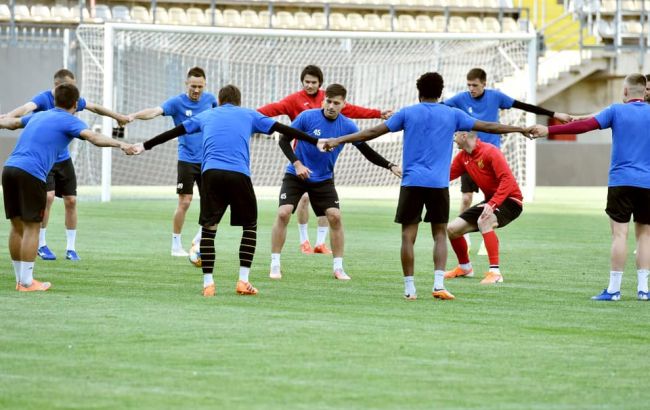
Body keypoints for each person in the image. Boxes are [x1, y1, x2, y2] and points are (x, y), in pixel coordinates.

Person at [323, 72, 529, 300]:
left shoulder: (407, 113)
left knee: (407, 236)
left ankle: (409, 289)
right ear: (440, 93)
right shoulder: (453, 114)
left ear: (418, 92)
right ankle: (438, 285)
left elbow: (372, 132)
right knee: (440, 234)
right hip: (438, 185)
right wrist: (521, 129)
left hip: (412, 182)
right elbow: (489, 126)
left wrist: (338, 139)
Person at [131, 85, 323, 297]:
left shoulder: (207, 115)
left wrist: (145, 145)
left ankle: (208, 284)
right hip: (238, 174)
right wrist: (316, 141)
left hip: (210, 174)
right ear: (239, 102)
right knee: (249, 227)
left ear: (220, 101)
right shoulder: (249, 114)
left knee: (209, 229)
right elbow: (284, 129)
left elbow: (175, 132)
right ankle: (243, 281)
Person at [528, 73, 650, 302]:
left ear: (625, 91)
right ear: (645, 92)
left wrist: (549, 130)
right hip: (648, 184)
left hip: (621, 181)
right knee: (645, 236)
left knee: (619, 235)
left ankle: (614, 290)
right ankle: (644, 290)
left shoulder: (616, 110)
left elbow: (584, 127)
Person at [1, 83, 132, 291]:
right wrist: (121, 144)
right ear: (75, 104)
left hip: (9, 169)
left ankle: (21, 281)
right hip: (31, 173)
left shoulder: (39, 116)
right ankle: (26, 282)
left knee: (17, 227)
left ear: (54, 101)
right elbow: (93, 137)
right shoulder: (70, 121)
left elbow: (12, 123)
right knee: (32, 227)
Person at [270, 83, 400, 281]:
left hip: (323, 179)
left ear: (343, 104)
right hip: (297, 175)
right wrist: (297, 164)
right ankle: (275, 264)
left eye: (336, 103)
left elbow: (366, 151)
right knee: (283, 213)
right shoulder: (307, 117)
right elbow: (283, 139)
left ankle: (338, 268)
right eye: (328, 101)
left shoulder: (347, 126)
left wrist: (390, 165)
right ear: (324, 100)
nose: (331, 106)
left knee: (335, 216)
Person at [258, 64, 393, 255]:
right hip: (300, 163)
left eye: (313, 82)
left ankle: (321, 243)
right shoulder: (298, 105)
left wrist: (378, 114)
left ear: (320, 84)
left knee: (330, 212)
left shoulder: (339, 112)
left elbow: (355, 113)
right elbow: (275, 110)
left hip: (324, 168)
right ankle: (304, 241)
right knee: (300, 201)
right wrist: (252, 115)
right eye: (307, 82)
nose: (310, 85)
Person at [444, 68, 569, 250]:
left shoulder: (496, 97)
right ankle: (464, 235)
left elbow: (523, 106)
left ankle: (486, 233)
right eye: (468, 85)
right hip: (469, 158)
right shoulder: (460, 99)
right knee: (466, 198)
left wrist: (554, 115)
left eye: (475, 85)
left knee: (495, 195)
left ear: (484, 84)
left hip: (489, 157)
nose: (471, 89)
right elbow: (437, 107)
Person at [127, 67, 217, 257]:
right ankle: (176, 245)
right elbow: (154, 111)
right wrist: (134, 116)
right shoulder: (177, 102)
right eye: (193, 86)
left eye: (200, 87)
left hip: (208, 159)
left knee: (211, 203)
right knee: (185, 201)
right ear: (186, 84)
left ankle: (199, 238)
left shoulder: (211, 100)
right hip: (187, 159)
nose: (196, 90)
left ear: (205, 85)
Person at [444, 131, 523, 284]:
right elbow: (445, 176)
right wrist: (417, 175)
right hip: (490, 201)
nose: (453, 138)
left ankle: (495, 273)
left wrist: (493, 204)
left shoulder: (490, 151)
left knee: (484, 220)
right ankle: (465, 268)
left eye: (455, 134)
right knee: (452, 229)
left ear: (464, 135)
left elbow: (507, 179)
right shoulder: (462, 157)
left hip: (511, 201)